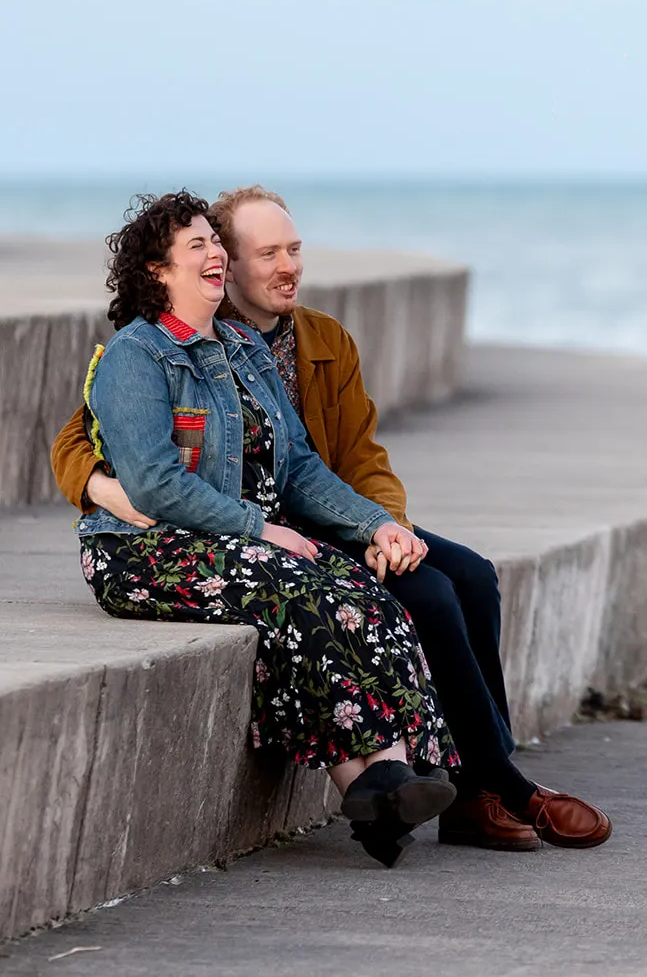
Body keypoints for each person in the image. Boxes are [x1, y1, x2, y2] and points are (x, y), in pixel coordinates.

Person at [54, 186, 611, 852]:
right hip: (184, 540)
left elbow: (316, 464)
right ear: (175, 267)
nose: (285, 265)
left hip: (276, 526)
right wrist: (108, 488)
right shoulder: (140, 352)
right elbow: (120, 457)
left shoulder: (262, 346)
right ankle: (455, 781)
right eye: (263, 252)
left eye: (293, 249)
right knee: (368, 594)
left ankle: (405, 782)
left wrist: (381, 526)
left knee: (443, 580)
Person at [75, 190, 458, 867]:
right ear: (159, 270)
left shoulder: (243, 347)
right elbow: (156, 484)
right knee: (296, 587)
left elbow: (300, 466)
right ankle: (372, 782)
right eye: (196, 245)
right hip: (146, 550)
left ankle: (389, 781)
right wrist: (259, 528)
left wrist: (376, 523)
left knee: (362, 591)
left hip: (235, 542)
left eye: (215, 242)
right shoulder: (137, 355)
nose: (215, 254)